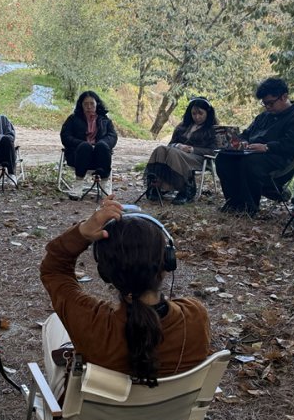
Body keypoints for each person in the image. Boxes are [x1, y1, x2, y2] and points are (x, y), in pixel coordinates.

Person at [39, 196, 212, 398]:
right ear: (167, 262)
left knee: (54, 323)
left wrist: (82, 233)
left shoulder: (92, 323)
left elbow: (53, 270)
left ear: (105, 273)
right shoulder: (195, 317)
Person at [214, 77, 294, 215]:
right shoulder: (264, 116)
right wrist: (241, 142)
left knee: (249, 161)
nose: (267, 107)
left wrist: (266, 147)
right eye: (265, 104)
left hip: (277, 158)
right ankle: (233, 202)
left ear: (284, 97)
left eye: (271, 103)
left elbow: (292, 146)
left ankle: (249, 207)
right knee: (223, 158)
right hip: (251, 153)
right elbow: (247, 133)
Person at [143, 97, 219, 204]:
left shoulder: (213, 129)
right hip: (178, 154)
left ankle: (186, 190)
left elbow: (214, 151)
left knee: (174, 153)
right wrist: (178, 145)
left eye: (200, 113)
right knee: (160, 150)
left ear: (208, 113)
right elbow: (170, 145)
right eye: (194, 113)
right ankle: (156, 186)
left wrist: (193, 149)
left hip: (200, 158)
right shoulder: (182, 126)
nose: (197, 117)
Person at [60, 90, 118, 182]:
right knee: (85, 146)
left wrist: (101, 143)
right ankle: (78, 184)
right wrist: (81, 143)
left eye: (92, 104)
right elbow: (65, 136)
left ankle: (104, 184)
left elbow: (112, 136)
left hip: (99, 155)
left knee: (102, 146)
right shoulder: (73, 119)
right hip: (78, 155)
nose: (89, 107)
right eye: (86, 104)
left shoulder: (105, 120)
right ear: (81, 105)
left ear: (97, 104)